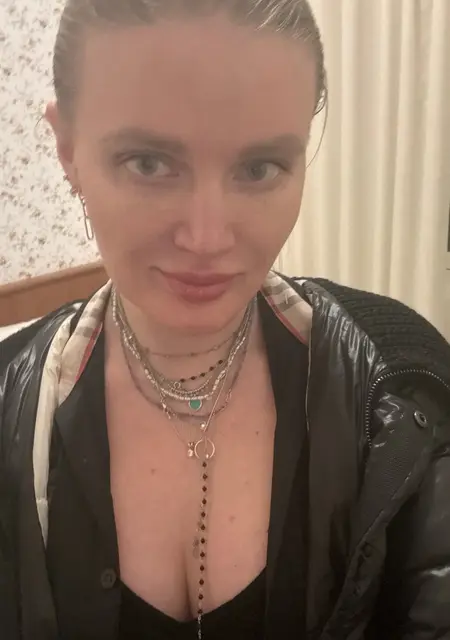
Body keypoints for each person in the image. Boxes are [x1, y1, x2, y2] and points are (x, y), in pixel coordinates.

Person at [1, 0, 450, 638]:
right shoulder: (10, 411)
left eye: (259, 168)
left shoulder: (404, 390)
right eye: (149, 163)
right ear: (68, 149)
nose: (207, 238)